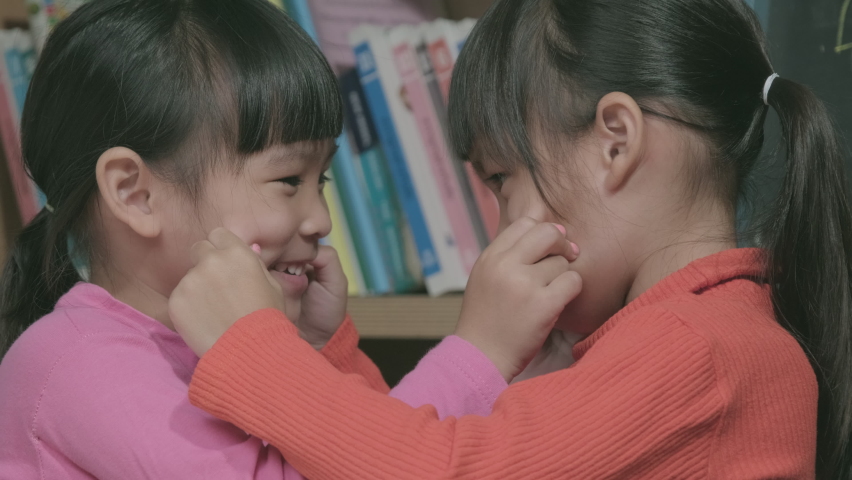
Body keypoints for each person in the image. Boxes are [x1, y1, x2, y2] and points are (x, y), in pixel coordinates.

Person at [169, 0, 852, 478]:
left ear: (614, 143)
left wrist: (252, 349)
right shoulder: (704, 333)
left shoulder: (696, 349)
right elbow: (400, 447)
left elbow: (435, 470)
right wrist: (331, 353)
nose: (502, 226)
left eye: (503, 179)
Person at [0, 0, 518, 477]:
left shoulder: (211, 345)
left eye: (323, 181)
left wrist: (319, 351)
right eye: (288, 180)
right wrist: (482, 351)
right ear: (135, 195)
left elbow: (378, 446)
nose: (320, 219)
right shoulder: (81, 363)